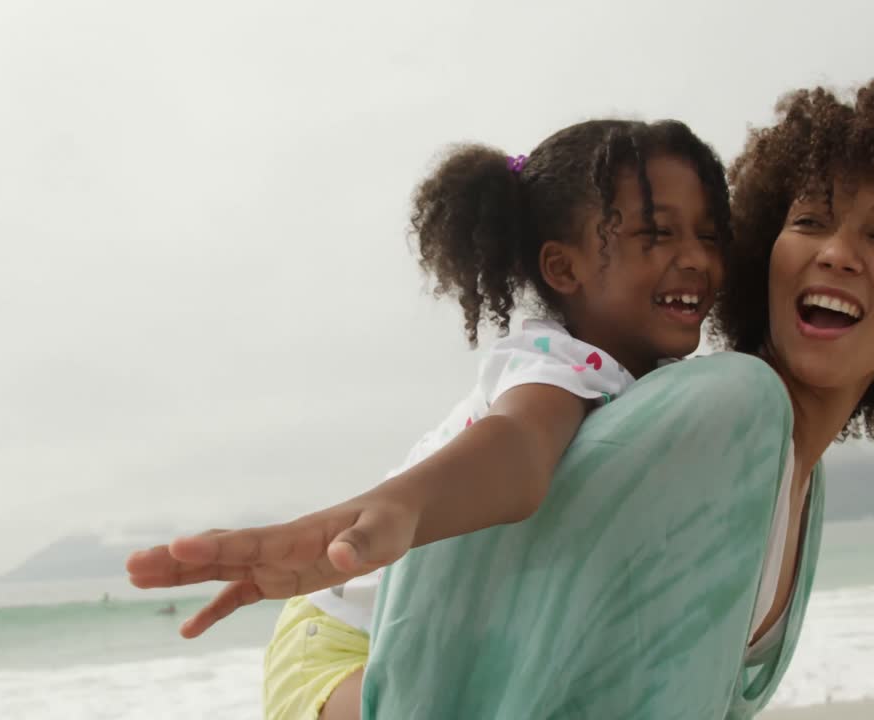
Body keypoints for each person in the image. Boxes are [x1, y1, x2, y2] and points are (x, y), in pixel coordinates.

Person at [129, 71, 874, 718]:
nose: (837, 251)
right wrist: (375, 516)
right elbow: (517, 451)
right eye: (807, 220)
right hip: (350, 656)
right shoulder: (660, 396)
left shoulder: (791, 496)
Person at [127, 118, 730, 720]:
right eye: (657, 235)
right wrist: (399, 508)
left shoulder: (662, 392)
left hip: (444, 646)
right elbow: (518, 445)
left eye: (708, 235)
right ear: (563, 268)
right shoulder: (564, 367)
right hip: (345, 642)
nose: (695, 258)